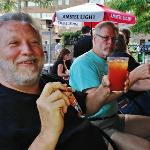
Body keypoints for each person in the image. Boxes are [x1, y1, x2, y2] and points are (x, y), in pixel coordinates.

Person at [0, 12, 119, 150]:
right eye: (14, 43)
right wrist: (48, 133)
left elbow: (85, 105)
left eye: (34, 42)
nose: (27, 50)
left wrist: (104, 90)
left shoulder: (49, 81)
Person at [69, 21, 150, 150]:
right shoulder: (83, 63)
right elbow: (96, 100)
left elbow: (133, 84)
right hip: (95, 125)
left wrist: (135, 78)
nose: (110, 42)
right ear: (95, 38)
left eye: (114, 39)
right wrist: (134, 75)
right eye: (106, 38)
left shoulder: (109, 61)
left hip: (115, 118)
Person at [112, 33, 150, 116]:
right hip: (134, 99)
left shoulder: (114, 56)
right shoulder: (119, 57)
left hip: (127, 101)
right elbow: (133, 84)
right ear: (124, 42)